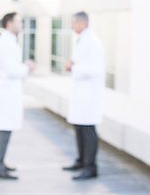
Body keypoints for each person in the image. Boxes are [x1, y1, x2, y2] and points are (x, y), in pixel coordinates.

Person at [63, 11, 105, 180]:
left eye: (74, 23)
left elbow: (95, 69)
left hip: (89, 96)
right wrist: (73, 65)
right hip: (81, 95)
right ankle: (81, 161)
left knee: (88, 131)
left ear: (83, 23)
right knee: (79, 128)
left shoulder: (93, 42)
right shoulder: (81, 41)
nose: (72, 26)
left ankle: (90, 166)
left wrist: (73, 67)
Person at [0, 12, 35, 180]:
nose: (21, 25)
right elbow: (12, 70)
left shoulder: (9, 41)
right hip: (7, 93)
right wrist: (28, 67)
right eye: (19, 22)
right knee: (4, 129)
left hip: (9, 93)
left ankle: (1, 163)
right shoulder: (6, 43)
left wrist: (22, 67)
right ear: (9, 23)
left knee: (6, 128)